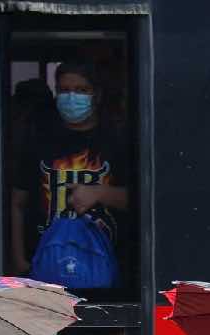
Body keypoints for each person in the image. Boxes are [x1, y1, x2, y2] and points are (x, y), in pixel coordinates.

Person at [10, 61, 130, 279]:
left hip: (103, 266)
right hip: (46, 265)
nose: (72, 97)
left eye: (81, 90)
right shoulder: (39, 140)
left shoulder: (117, 142)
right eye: (64, 90)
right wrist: (19, 260)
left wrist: (100, 193)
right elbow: (18, 203)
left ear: (97, 95)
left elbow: (141, 202)